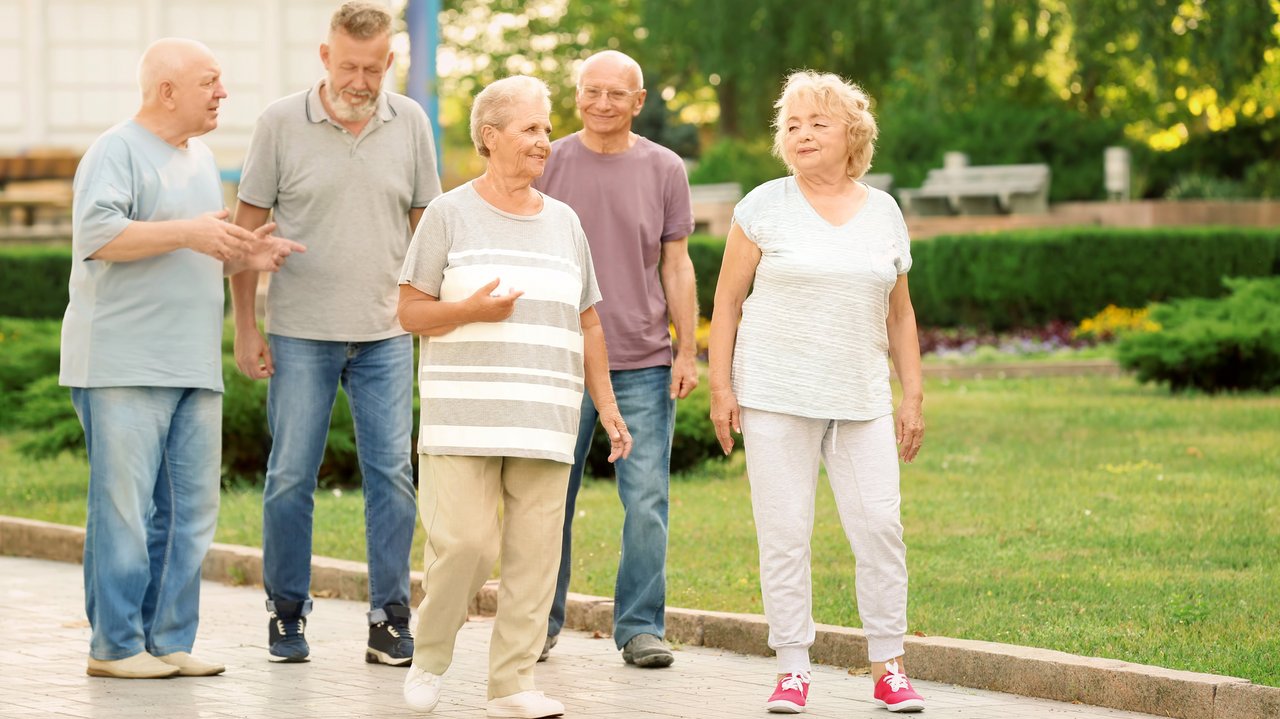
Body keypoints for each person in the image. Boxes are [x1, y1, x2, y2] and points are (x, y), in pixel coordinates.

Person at [60, 38, 302, 680]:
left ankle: (167, 640)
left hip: (192, 363)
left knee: (191, 513)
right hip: (121, 363)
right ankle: (113, 648)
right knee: (124, 512)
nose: (223, 93)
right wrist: (191, 232)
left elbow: (189, 247)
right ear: (167, 90)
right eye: (210, 81)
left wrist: (242, 255)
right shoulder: (115, 150)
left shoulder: (199, 158)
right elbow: (98, 235)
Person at [397, 75, 631, 718]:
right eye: (531, 129)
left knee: (534, 561)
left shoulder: (565, 222)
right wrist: (468, 309)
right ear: (489, 137)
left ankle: (513, 684)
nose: (544, 142)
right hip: (463, 419)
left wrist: (607, 408)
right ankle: (430, 653)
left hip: (546, 417)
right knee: (467, 546)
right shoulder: (448, 213)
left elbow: (588, 321)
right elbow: (410, 313)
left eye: (546, 130)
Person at [229, 0, 441, 665]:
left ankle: (388, 616)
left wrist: (433, 316)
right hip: (300, 333)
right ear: (326, 58)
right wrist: (245, 328)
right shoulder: (278, 124)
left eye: (374, 69)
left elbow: (428, 229)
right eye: (349, 66)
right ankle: (286, 613)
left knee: (393, 476)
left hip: (384, 333)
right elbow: (245, 235)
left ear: (389, 62)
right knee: (291, 475)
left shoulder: (409, 122)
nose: (361, 81)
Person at [708, 70, 927, 714]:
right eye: (792, 125)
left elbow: (901, 313)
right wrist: (721, 387)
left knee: (881, 527)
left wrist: (911, 394)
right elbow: (726, 302)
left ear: (852, 134)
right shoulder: (763, 206)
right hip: (776, 393)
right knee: (784, 533)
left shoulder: (884, 210)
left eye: (818, 123)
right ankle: (793, 669)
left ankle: (889, 664)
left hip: (860, 398)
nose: (802, 134)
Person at [532, 49, 697, 669]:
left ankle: (640, 628)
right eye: (590, 91)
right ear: (576, 96)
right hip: (560, 361)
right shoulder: (548, 162)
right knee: (550, 498)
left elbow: (675, 264)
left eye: (615, 94)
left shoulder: (665, 168)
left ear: (639, 101)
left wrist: (688, 348)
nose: (602, 104)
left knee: (648, 499)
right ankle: (539, 622)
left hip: (643, 362)